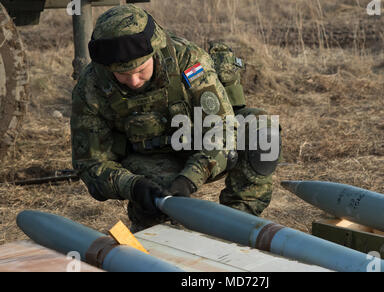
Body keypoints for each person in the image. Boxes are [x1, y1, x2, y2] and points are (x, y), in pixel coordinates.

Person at [70, 4, 280, 232]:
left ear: (154, 52)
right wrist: (133, 186)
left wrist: (189, 179)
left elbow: (222, 131)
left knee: (261, 129)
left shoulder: (188, 60)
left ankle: (239, 221)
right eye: (122, 74)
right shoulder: (91, 86)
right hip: (146, 164)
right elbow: (90, 163)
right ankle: (157, 229)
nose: (134, 81)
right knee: (160, 210)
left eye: (141, 70)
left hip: (200, 148)